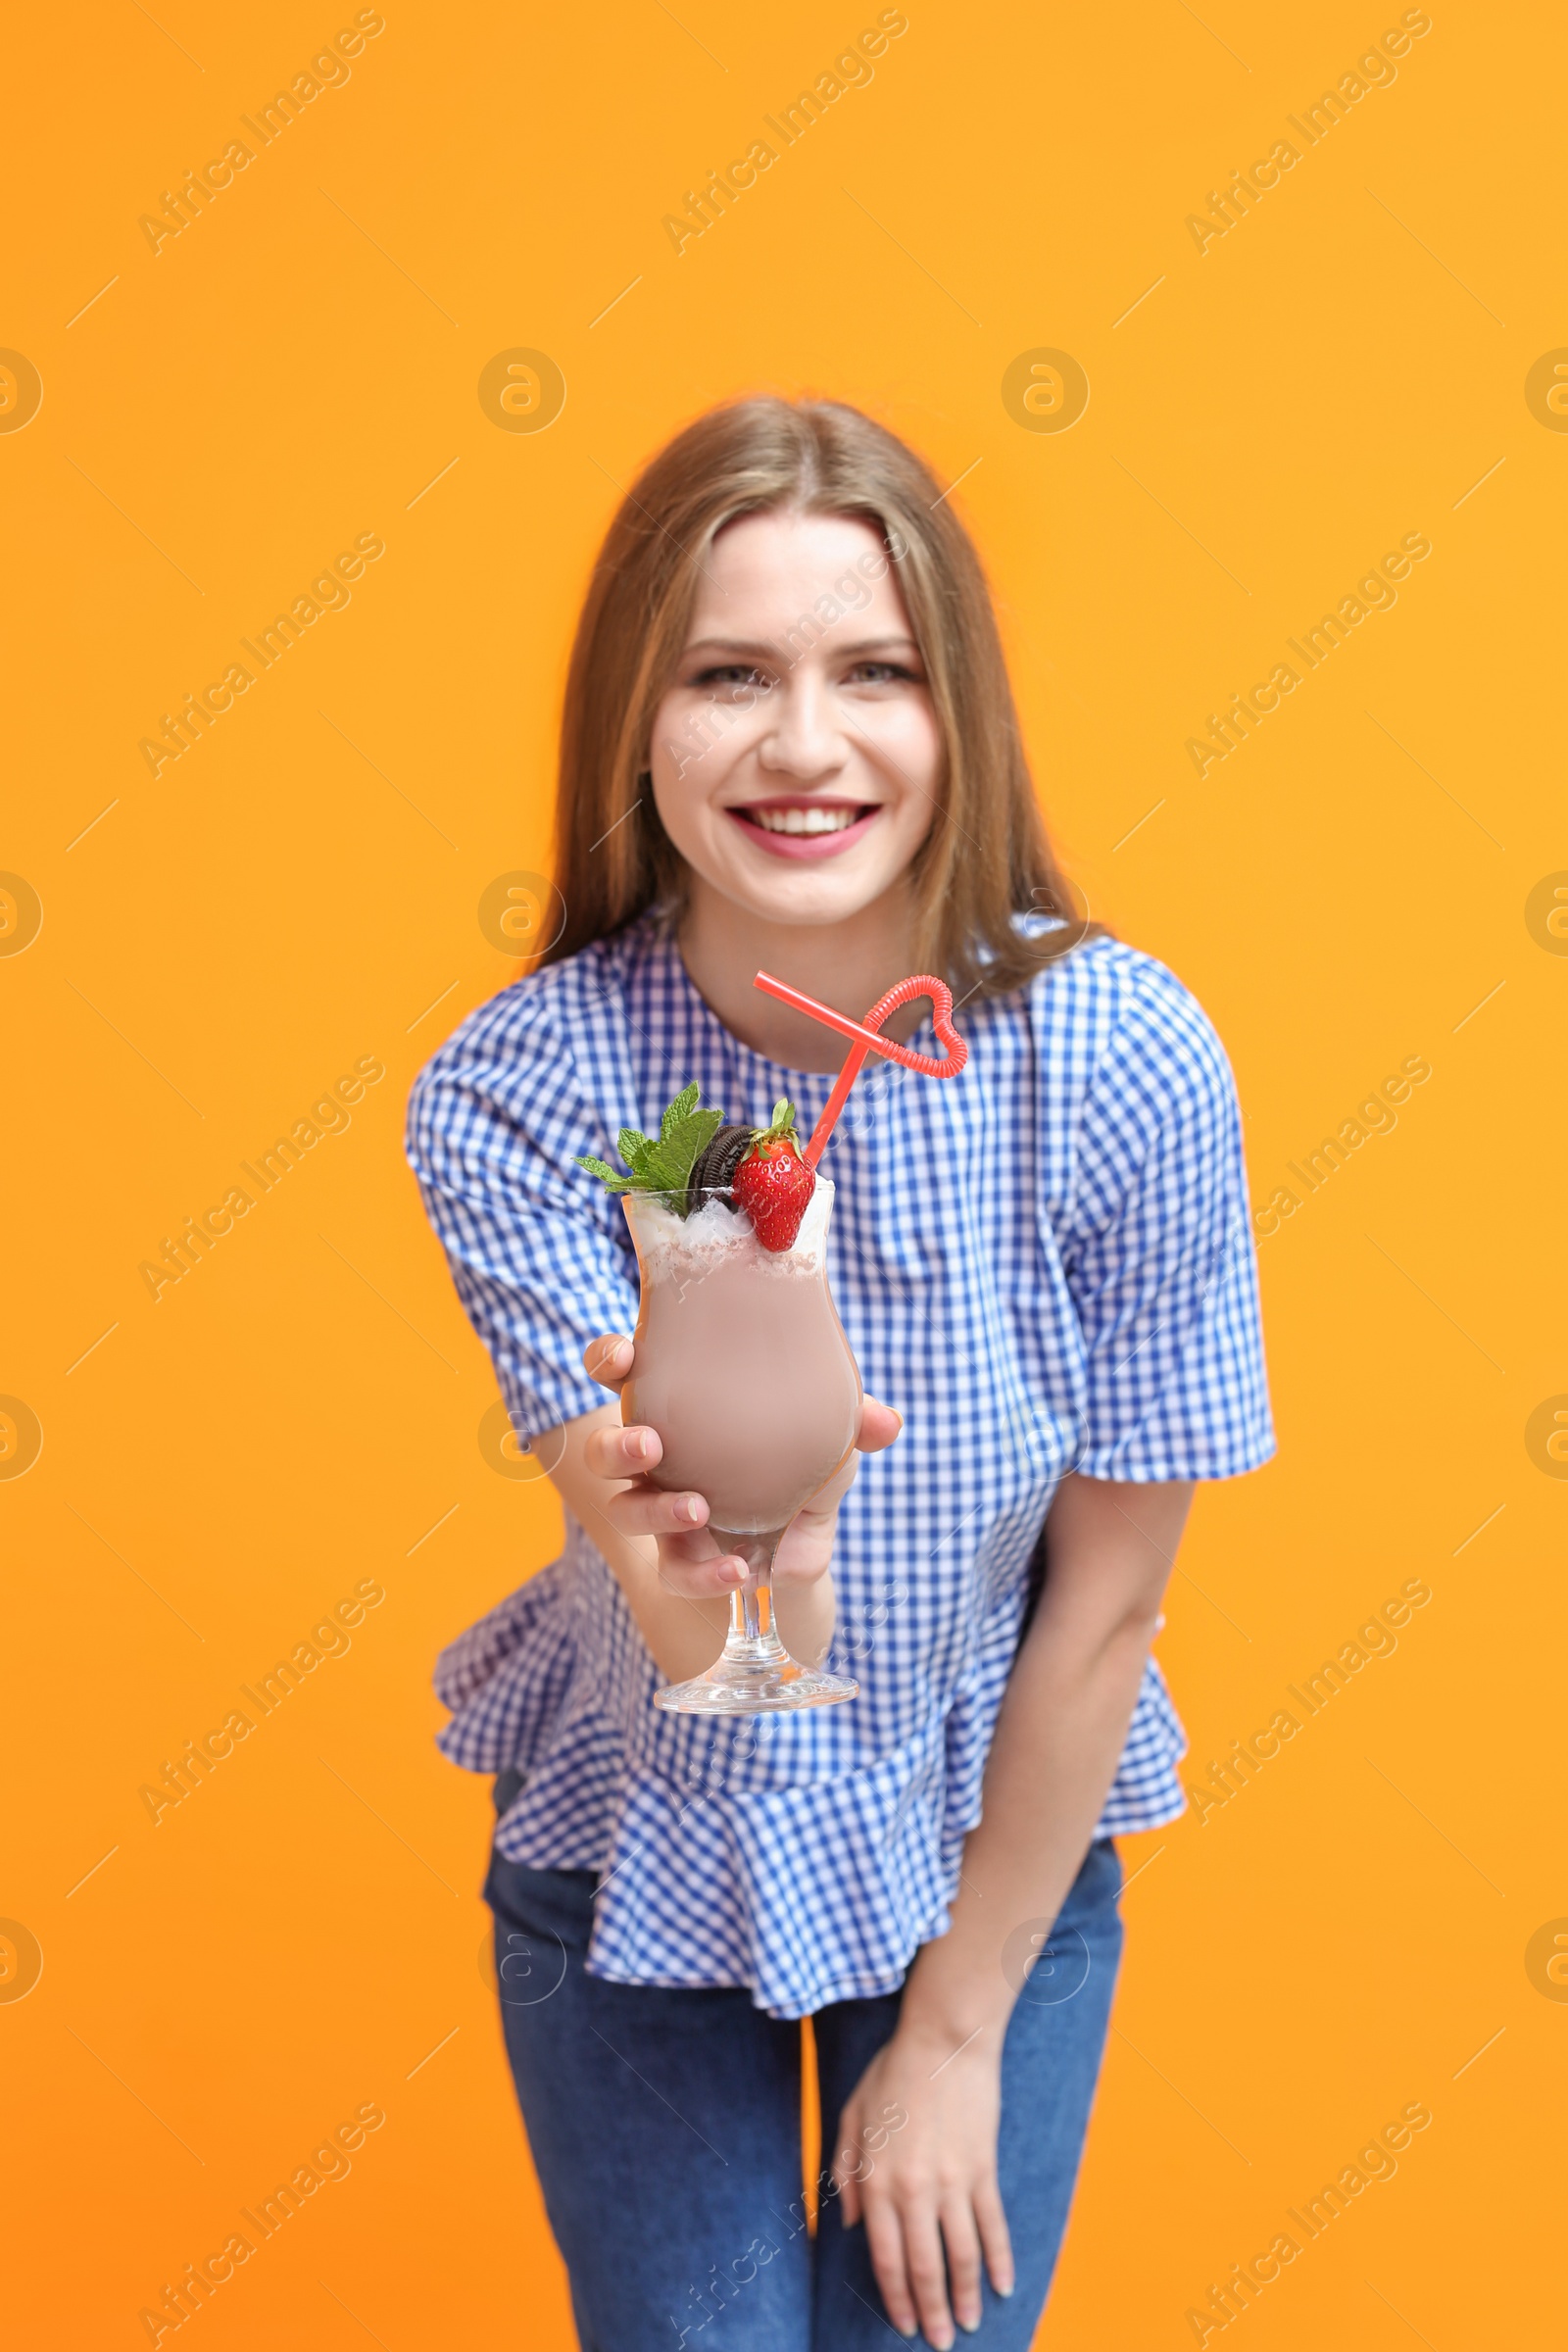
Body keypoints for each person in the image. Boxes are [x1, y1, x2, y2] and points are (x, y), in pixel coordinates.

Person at [405, 396, 1273, 2350]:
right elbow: (687, 1624)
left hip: (991, 1821)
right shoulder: (536, 1092)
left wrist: (959, 2033)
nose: (804, 746)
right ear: (638, 716)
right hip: (654, 1804)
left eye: (870, 670)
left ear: (950, 705)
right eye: (728, 676)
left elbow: (1110, 1595)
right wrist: (735, 1594)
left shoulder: (1113, 1059)